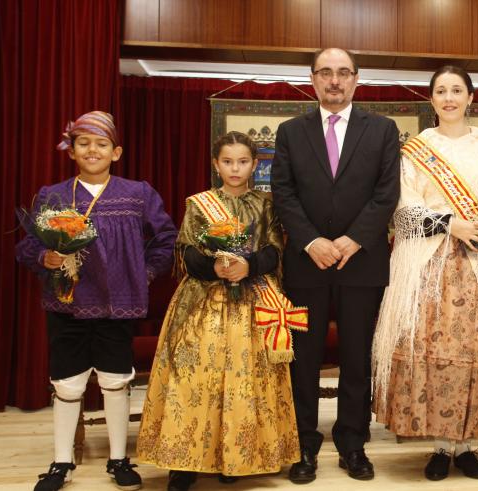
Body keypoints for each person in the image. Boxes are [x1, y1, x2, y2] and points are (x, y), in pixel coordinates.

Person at [371, 66, 478, 481]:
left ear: (470, 97)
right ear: (431, 99)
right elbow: (404, 210)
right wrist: (450, 223)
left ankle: (469, 447)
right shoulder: (417, 148)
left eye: (456, 90)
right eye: (441, 91)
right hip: (432, 265)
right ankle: (442, 446)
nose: (449, 98)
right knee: (436, 354)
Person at [16, 111, 177, 491]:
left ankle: (119, 459)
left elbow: (167, 237)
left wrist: (146, 273)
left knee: (115, 381)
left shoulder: (138, 193)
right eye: (84, 143)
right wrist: (46, 258)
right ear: (71, 150)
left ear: (116, 151)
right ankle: (61, 462)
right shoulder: (53, 195)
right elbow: (27, 245)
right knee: (68, 384)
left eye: (101, 144)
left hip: (117, 304)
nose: (93, 150)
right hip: (65, 303)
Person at [136, 132, 303, 490]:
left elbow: (275, 250)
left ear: (255, 165)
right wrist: (212, 268)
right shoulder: (198, 204)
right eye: (227, 162)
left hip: (252, 302)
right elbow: (185, 251)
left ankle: (237, 458)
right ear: (216, 164)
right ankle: (184, 462)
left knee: (245, 380)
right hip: (202, 302)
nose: (235, 168)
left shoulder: (266, 205)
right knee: (194, 378)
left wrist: (249, 266)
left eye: (243, 162)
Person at [271, 47, 401, 483]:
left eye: (343, 73)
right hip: (306, 265)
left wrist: (350, 240)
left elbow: (387, 194)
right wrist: (311, 241)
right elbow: (283, 193)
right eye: (325, 72)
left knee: (355, 358)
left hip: (361, 264)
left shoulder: (382, 130)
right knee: (303, 359)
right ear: (312, 79)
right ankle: (303, 444)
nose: (334, 80)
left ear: (356, 79)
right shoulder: (290, 132)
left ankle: (352, 443)